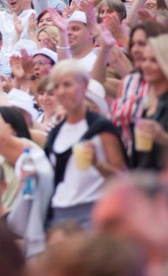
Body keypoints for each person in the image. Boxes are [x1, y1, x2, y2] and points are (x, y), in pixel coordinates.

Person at [45, 60, 126, 229]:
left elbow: (123, 178)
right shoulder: (56, 132)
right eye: (57, 87)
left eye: (67, 85)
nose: (61, 92)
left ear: (84, 86)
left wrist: (98, 164)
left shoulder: (101, 128)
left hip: (93, 212)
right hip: (59, 213)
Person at [133, 34, 168, 170]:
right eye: (144, 59)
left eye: (153, 60)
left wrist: (162, 137)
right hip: (145, 181)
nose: (146, 65)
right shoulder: (148, 101)